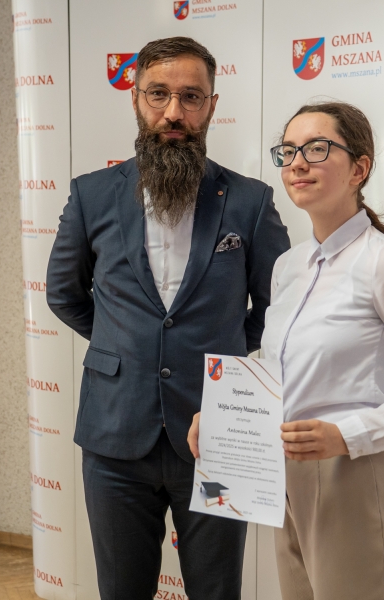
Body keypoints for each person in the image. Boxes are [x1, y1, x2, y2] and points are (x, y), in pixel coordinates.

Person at [190, 101, 384, 599]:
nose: (297, 163)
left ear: (359, 169)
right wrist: (221, 415)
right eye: (288, 151)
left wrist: (348, 435)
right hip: (282, 478)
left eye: (317, 148)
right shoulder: (289, 266)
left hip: (355, 479)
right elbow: (279, 367)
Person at [46, 36, 290, 600]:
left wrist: (227, 353)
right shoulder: (91, 195)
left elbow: (277, 306)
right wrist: (122, 344)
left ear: (212, 105)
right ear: (136, 99)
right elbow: (63, 293)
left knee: (217, 590)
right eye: (158, 94)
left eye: (190, 97)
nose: (173, 112)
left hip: (218, 432)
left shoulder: (250, 201)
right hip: (114, 434)